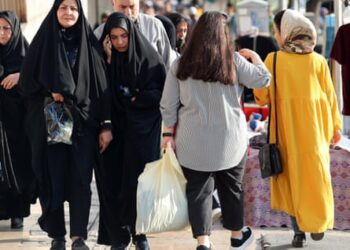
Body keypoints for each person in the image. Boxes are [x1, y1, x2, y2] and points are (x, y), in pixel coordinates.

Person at [160, 11, 271, 250]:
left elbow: (167, 104)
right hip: (230, 139)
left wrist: (168, 133)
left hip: (192, 139)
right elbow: (264, 80)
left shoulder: (180, 63)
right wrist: (253, 56)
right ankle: (236, 235)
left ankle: (204, 241)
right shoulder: (233, 60)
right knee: (232, 188)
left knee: (198, 190)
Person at [19, 1, 112, 250]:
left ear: (79, 13)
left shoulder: (90, 44)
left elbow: (101, 88)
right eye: (63, 8)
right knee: (53, 179)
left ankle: (78, 236)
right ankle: (58, 235)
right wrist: (51, 91)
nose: (69, 13)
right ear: (55, 11)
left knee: (81, 180)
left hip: (83, 125)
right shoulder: (42, 44)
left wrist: (105, 125)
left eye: (74, 8)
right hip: (51, 125)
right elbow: (27, 84)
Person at [253, 9, 342, 248]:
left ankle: (298, 232)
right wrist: (336, 126)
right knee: (316, 177)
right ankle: (317, 222)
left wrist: (256, 63)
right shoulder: (318, 60)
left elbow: (262, 98)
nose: (276, 35)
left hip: (287, 133)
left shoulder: (274, 59)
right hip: (316, 133)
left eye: (277, 31)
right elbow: (331, 97)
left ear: (287, 32)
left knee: (291, 179)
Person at [96, 12, 166, 250]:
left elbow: (161, 92)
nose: (119, 42)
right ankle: (117, 235)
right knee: (112, 181)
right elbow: (99, 91)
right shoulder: (105, 58)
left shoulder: (149, 58)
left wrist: (137, 98)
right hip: (112, 131)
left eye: (124, 36)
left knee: (138, 184)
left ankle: (139, 233)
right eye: (113, 37)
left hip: (141, 132)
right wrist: (105, 61)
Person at [0, 10, 36, 230]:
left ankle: (18, 213)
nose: (2, 32)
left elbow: (38, 79)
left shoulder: (25, 54)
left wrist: (20, 77)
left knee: (19, 167)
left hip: (20, 125)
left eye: (6, 28)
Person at [94, 0, 172, 69]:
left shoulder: (154, 26)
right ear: (113, 3)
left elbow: (167, 63)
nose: (128, 12)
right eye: (123, 7)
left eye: (132, 6)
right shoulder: (99, 34)